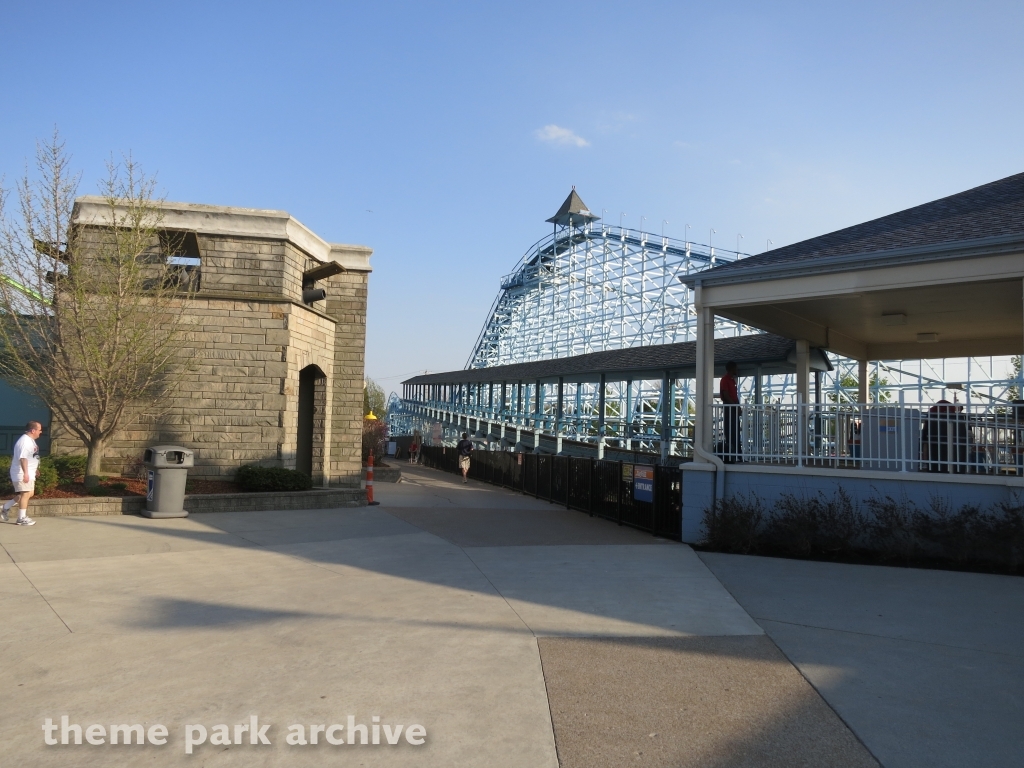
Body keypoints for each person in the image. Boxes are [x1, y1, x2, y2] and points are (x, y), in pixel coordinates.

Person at [2, 421, 43, 526]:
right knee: (25, 493)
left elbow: (31, 456)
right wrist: (25, 473)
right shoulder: (25, 441)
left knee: (29, 493)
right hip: (21, 472)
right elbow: (23, 458)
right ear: (33, 430)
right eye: (39, 430)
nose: (41, 432)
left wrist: (35, 469)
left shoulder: (31, 441)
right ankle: (21, 518)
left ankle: (5, 508)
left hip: (29, 471)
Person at [720, 362, 741, 463]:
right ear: (732, 368)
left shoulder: (732, 380)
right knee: (730, 431)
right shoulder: (725, 379)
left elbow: (734, 395)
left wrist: (738, 406)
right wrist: (734, 406)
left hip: (733, 406)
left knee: (736, 431)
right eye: (736, 368)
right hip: (729, 407)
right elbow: (726, 395)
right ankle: (730, 455)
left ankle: (738, 455)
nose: (737, 370)